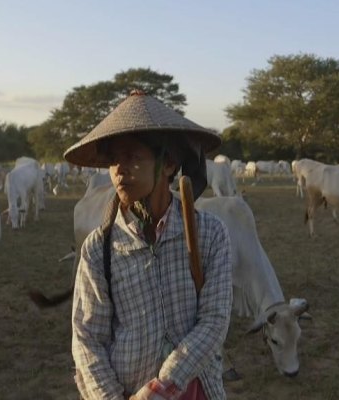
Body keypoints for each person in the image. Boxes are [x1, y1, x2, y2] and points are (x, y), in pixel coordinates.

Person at [64, 90, 232, 400]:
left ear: (168, 164)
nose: (118, 169)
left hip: (194, 390)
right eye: (113, 159)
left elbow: (214, 320)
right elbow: (87, 339)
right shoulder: (98, 248)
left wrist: (161, 388)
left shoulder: (210, 233)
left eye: (132, 156)